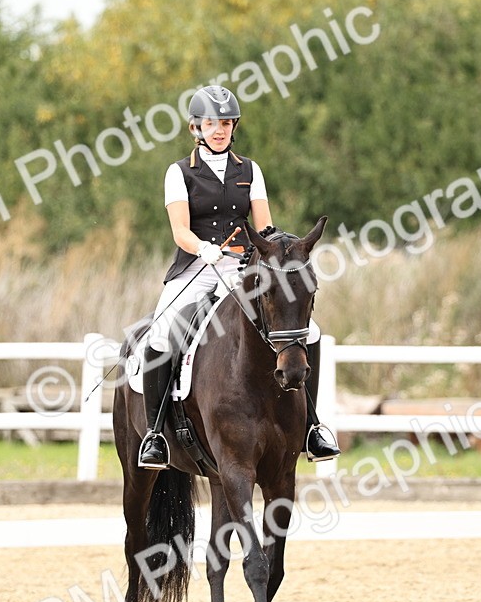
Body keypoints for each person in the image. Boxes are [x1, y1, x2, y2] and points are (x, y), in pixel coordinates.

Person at [136, 84, 340, 469]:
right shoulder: (179, 172)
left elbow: (263, 227)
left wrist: (279, 247)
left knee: (307, 333)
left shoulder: (250, 170)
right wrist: (202, 247)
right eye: (211, 123)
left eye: (226, 123)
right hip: (195, 267)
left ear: (234, 127)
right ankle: (155, 434)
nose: (220, 130)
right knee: (162, 333)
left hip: (242, 268)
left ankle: (312, 426)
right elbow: (180, 230)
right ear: (196, 127)